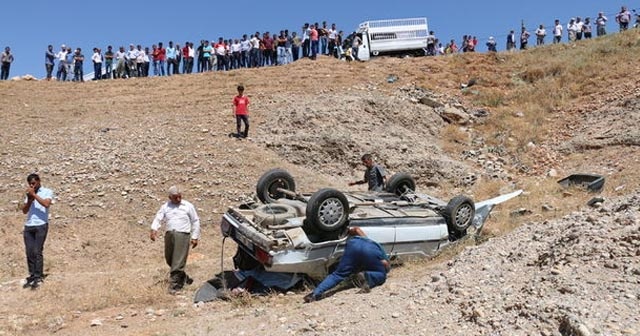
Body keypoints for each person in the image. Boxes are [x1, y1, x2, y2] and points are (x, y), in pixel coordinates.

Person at [303, 227, 390, 302]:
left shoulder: (367, 239)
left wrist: (348, 231)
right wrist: (385, 270)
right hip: (370, 251)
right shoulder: (378, 248)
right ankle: (366, 276)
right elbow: (385, 263)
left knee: (338, 274)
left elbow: (357, 229)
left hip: (353, 244)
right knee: (381, 275)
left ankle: (315, 294)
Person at [150, 186, 201, 293]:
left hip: (183, 235)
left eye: (179, 197)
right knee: (169, 259)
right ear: (170, 197)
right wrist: (154, 229)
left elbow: (195, 221)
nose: (178, 199)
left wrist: (195, 237)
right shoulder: (165, 207)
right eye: (175, 197)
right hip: (169, 235)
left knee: (178, 261)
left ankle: (175, 286)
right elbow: (158, 217)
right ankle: (183, 277)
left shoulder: (188, 206)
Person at [21, 173, 54, 289]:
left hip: (41, 225)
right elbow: (24, 211)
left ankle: (38, 276)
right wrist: (29, 199)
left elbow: (46, 204)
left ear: (39, 181)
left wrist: (34, 195)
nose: (32, 185)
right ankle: (32, 274)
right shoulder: (29, 194)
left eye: (34, 183)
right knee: (29, 251)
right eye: (30, 184)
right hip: (29, 225)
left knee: (37, 251)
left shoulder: (47, 191)